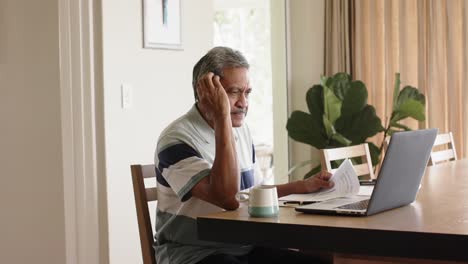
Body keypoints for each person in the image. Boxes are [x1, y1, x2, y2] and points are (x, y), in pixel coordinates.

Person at [154, 46, 334, 264]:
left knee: (321, 261)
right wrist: (222, 117)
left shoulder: (241, 130)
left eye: (247, 92)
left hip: (244, 247)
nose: (244, 103)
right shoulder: (176, 140)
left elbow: (250, 195)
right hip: (193, 253)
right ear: (205, 92)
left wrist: (301, 186)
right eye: (233, 92)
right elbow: (227, 198)